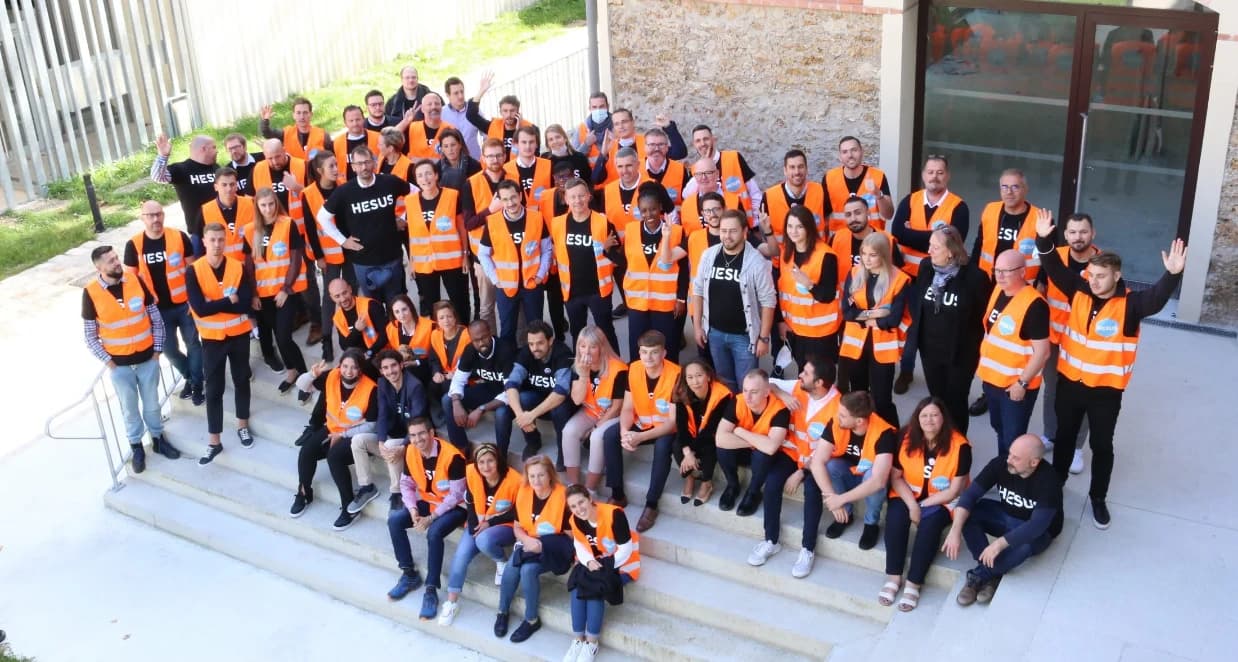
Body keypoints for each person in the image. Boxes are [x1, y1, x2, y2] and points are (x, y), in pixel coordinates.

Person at [1035, 210, 1184, 529]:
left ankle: (1098, 499)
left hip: (1105, 392)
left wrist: (1171, 275)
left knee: (1102, 446)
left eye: (1101, 276)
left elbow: (1157, 299)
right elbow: (1052, 266)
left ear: (1117, 276)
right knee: (1063, 437)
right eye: (1091, 275)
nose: (1094, 280)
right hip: (1070, 384)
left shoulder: (1131, 305)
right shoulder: (1079, 290)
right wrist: (1044, 238)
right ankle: (1055, 486)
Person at [82, 244, 178, 474]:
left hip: (147, 360)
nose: (117, 263)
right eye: (111, 261)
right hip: (120, 367)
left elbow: (155, 318)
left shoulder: (135, 280)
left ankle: (157, 439)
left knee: (153, 405)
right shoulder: (91, 292)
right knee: (130, 409)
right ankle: (136, 447)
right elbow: (90, 335)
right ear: (99, 267)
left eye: (116, 258)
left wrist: (156, 353)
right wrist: (109, 362)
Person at [943, 434, 1063, 606]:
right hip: (1006, 515)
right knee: (968, 515)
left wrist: (998, 544)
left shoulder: (1049, 480)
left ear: (1034, 462)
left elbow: (1037, 526)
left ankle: (982, 574)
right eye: (1010, 453)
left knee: (1025, 545)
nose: (1009, 459)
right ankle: (995, 569)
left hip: (1038, 530)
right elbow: (969, 496)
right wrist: (955, 530)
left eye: (1016, 457)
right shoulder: (1000, 464)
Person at [881, 397, 971, 612]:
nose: (929, 420)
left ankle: (914, 583)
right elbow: (896, 477)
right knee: (895, 520)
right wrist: (913, 505)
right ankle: (894, 577)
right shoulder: (904, 436)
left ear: (943, 418)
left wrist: (924, 505)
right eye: (924, 415)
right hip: (907, 493)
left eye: (934, 415)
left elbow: (955, 489)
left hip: (942, 498)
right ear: (917, 418)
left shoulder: (961, 446)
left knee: (930, 527)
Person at [891, 155, 970, 394]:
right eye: (930, 172)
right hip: (907, 277)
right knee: (909, 326)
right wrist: (935, 236)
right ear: (923, 175)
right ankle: (906, 370)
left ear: (947, 176)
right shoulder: (911, 200)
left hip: (940, 280)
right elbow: (896, 232)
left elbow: (954, 241)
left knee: (929, 328)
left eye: (940, 172)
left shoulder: (958, 206)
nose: (934, 176)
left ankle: (934, 373)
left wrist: (911, 233)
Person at [967, 170, 1040, 421]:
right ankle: (988, 390)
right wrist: (972, 277)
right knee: (987, 337)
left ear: (1025, 189)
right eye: (1004, 187)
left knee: (1011, 340)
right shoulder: (990, 210)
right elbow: (979, 245)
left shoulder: (1037, 219)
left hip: (1020, 292)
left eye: (1015, 187)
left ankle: (1012, 385)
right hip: (989, 284)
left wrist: (1039, 288)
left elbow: (1047, 259)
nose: (1009, 192)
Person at [906, 226, 989, 434]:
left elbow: (983, 318)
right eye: (930, 245)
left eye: (935, 247)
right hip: (929, 350)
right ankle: (941, 441)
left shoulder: (975, 278)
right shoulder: (926, 267)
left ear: (951, 251)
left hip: (961, 354)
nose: (929, 251)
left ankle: (958, 444)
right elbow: (919, 305)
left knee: (956, 402)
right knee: (937, 400)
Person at [386, 417, 468, 622]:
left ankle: (431, 589)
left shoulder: (452, 456)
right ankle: (409, 574)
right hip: (429, 501)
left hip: (456, 507)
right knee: (395, 520)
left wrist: (431, 518)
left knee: (434, 532)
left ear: (432, 433)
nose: (417, 439)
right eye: (412, 435)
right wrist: (413, 509)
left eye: (421, 433)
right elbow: (406, 484)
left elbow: (456, 495)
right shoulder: (411, 451)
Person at [185, 223, 254, 465]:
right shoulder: (194, 271)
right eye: (212, 240)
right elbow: (200, 309)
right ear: (203, 241)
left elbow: (244, 304)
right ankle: (214, 441)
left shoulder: (237, 266)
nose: (217, 244)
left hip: (238, 334)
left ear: (225, 241)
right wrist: (228, 300)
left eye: (220, 240)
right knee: (214, 389)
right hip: (212, 341)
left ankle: (242, 425)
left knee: (241, 380)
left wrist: (215, 302)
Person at [124, 201, 203, 405]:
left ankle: (197, 384)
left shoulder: (178, 236)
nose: (155, 219)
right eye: (150, 215)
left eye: (158, 214)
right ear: (142, 218)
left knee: (193, 344)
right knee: (168, 350)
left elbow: (193, 270)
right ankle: (191, 376)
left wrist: (195, 300)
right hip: (157, 311)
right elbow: (130, 281)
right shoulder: (134, 245)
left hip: (184, 305)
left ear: (164, 215)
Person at [768, 357, 840, 577]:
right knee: (772, 483)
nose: (800, 376)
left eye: (806, 373)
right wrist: (783, 394)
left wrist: (802, 471)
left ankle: (807, 549)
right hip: (793, 453)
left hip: (818, 463)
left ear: (819, 383)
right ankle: (771, 540)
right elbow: (767, 382)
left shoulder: (838, 408)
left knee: (811, 490)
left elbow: (831, 452)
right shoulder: (798, 387)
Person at [289, 351, 379, 529]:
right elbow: (303, 386)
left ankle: (349, 507)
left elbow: (371, 426)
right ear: (340, 365)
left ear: (360, 369)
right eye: (345, 366)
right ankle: (304, 491)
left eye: (354, 367)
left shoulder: (371, 388)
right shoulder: (332, 376)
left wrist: (343, 435)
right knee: (307, 451)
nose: (348, 371)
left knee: (334, 457)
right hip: (331, 429)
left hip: (356, 436)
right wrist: (311, 375)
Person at [1041, 213, 1101, 476]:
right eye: (1073, 232)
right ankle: (1050, 435)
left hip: (1086, 346)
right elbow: (1041, 291)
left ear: (1093, 234)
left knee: (1083, 396)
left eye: (1084, 232)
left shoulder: (1103, 264)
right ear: (1065, 235)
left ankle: (1076, 446)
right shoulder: (1055, 257)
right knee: (1052, 390)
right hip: (1054, 340)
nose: (1079, 237)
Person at [603, 330, 680, 531]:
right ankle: (617, 494)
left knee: (663, 447)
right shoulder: (634, 368)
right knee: (610, 435)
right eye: (644, 352)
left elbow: (672, 423)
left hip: (665, 428)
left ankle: (651, 504)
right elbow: (627, 407)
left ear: (664, 353)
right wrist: (624, 433)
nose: (648, 357)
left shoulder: (676, 374)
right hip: (642, 423)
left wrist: (639, 437)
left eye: (654, 352)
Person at [691, 210, 776, 392]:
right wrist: (698, 326)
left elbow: (768, 301)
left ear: (745, 231)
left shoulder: (755, 262)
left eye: (732, 231)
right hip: (714, 334)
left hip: (744, 338)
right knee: (724, 384)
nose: (727, 236)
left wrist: (763, 337)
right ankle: (730, 418)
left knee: (748, 387)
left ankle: (746, 419)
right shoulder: (709, 255)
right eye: (723, 231)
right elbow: (697, 291)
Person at [438, 443, 523, 625]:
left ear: (498, 460)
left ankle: (500, 559)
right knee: (461, 555)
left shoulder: (515, 480)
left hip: (505, 526)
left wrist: (489, 523)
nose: (486, 466)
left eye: (490, 461)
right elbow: (470, 500)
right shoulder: (472, 473)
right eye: (481, 462)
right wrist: (474, 526)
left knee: (484, 540)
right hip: (479, 521)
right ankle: (451, 602)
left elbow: (520, 511)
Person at [491, 456, 573, 643]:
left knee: (528, 570)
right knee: (512, 567)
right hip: (528, 543)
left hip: (554, 547)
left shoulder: (563, 496)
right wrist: (527, 540)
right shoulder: (525, 491)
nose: (536, 480)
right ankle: (502, 611)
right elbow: (517, 526)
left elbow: (571, 535)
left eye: (541, 475)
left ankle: (531, 619)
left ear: (550, 475)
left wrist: (543, 543)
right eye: (532, 476)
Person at [977, 249, 1050, 457]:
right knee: (998, 428)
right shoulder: (999, 291)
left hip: (1016, 387)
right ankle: (1004, 466)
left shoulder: (1035, 305)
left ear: (1022, 272)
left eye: (1006, 271)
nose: (999, 276)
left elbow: (1042, 352)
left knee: (1013, 439)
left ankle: (1011, 476)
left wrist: (1022, 383)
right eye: (996, 270)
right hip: (992, 380)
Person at [716, 370, 792, 563]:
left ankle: (753, 491)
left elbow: (772, 446)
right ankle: (733, 485)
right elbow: (720, 438)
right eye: (745, 390)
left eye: (754, 392)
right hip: (748, 446)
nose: (747, 396)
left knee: (763, 453)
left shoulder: (780, 409)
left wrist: (741, 431)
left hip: (765, 455)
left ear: (767, 392)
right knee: (723, 449)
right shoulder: (738, 401)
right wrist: (754, 441)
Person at [317, 145, 410, 302]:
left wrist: (405, 218)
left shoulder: (389, 182)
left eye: (367, 162)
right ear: (353, 167)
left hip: (392, 257)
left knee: (398, 304)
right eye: (359, 164)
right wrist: (343, 241)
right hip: (364, 262)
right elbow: (322, 217)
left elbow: (415, 193)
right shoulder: (345, 191)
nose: (364, 167)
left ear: (374, 162)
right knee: (372, 307)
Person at [839, 232, 911, 426]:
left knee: (882, 400)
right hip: (856, 349)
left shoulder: (899, 279)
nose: (867, 259)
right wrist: (877, 314)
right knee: (858, 395)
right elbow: (847, 312)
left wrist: (863, 316)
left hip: (883, 350)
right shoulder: (854, 273)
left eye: (873, 255)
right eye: (864, 253)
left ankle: (890, 434)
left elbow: (894, 319)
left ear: (884, 255)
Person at [242, 188, 309, 397]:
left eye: (271, 204)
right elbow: (249, 266)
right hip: (263, 296)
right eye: (263, 205)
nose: (268, 209)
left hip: (284, 293)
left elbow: (296, 259)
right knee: (279, 339)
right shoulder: (250, 230)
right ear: (257, 207)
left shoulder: (288, 224)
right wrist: (253, 294)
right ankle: (291, 372)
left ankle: (306, 378)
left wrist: (286, 289)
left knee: (284, 336)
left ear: (276, 203)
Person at [812, 391, 898, 550]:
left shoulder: (884, 433)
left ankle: (871, 523)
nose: (838, 417)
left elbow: (878, 481)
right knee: (831, 466)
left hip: (870, 480)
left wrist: (841, 498)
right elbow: (816, 462)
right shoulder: (836, 423)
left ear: (859, 421)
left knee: (873, 476)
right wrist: (834, 501)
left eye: (843, 415)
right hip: (850, 474)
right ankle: (845, 516)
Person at [564, 484, 640, 662]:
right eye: (573, 506)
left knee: (595, 586)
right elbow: (580, 545)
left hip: (622, 563)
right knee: (577, 583)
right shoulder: (575, 520)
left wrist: (602, 566)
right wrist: (590, 562)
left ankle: (591, 643)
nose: (578, 509)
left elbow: (625, 550)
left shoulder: (614, 514)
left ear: (590, 499)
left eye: (581, 502)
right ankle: (578, 640)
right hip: (597, 561)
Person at [549, 178, 621, 352]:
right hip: (571, 292)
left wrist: (606, 249)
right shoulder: (557, 223)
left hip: (598, 290)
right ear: (565, 198)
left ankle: (615, 368)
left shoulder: (603, 222)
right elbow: (555, 252)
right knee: (577, 333)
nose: (577, 201)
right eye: (572, 197)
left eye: (581, 196)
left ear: (589, 196)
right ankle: (581, 371)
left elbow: (617, 255)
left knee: (605, 332)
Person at [478, 179, 551, 346]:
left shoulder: (537, 218)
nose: (510, 203)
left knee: (535, 328)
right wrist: (496, 280)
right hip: (506, 287)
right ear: (500, 201)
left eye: (513, 197)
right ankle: (508, 365)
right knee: (508, 330)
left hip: (532, 285)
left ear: (520, 196)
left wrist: (540, 275)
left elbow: (547, 249)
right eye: (504, 199)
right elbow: (483, 254)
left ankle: (536, 365)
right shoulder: (493, 222)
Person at [354, 348, 426, 513]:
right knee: (358, 440)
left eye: (393, 365)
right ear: (381, 371)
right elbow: (382, 415)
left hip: (415, 439)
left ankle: (397, 492)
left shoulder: (415, 386)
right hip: (394, 436)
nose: (390, 371)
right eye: (385, 368)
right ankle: (366, 486)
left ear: (401, 365)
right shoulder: (382, 383)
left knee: (392, 443)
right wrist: (380, 441)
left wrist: (403, 445)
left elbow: (418, 421)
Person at [622, 183, 688, 361]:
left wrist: (681, 298)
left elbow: (683, 271)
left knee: (668, 345)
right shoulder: (631, 230)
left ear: (660, 207)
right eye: (644, 210)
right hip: (637, 301)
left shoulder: (676, 232)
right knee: (638, 346)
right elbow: (625, 263)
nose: (648, 214)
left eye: (652, 209)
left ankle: (671, 382)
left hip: (665, 302)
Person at [498, 321, 575, 461]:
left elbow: (561, 392)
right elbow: (511, 383)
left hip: (563, 404)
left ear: (550, 340)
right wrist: (521, 416)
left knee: (559, 408)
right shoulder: (527, 352)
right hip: (539, 399)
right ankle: (533, 441)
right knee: (522, 398)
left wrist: (531, 415)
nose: (535, 348)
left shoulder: (562, 353)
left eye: (540, 343)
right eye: (531, 344)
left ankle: (563, 451)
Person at [563, 326, 627, 493]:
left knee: (597, 437)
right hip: (591, 411)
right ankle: (573, 485)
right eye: (582, 346)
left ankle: (590, 489)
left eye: (592, 346)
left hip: (613, 415)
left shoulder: (618, 369)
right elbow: (577, 400)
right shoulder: (579, 366)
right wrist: (583, 375)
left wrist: (594, 428)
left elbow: (617, 407)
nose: (587, 351)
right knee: (568, 431)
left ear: (602, 347)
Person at [301, 152, 352, 362]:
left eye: (336, 164)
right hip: (328, 255)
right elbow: (310, 228)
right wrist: (319, 256)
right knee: (329, 299)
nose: (336, 168)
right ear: (320, 171)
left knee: (350, 294)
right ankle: (326, 341)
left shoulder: (344, 186)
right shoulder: (308, 193)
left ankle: (347, 335)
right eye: (331, 165)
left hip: (349, 251)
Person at [775, 205, 840, 368]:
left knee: (819, 380)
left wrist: (809, 284)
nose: (793, 231)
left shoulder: (826, 255)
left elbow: (828, 295)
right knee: (803, 376)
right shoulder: (786, 254)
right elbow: (782, 291)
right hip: (796, 331)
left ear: (809, 228)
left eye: (799, 226)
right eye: (790, 226)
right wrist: (781, 322)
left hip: (821, 333)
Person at [405, 160, 470, 320]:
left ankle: (463, 335)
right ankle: (437, 338)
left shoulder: (452, 196)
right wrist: (412, 261)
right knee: (431, 305)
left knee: (459, 302)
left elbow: (462, 228)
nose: (424, 179)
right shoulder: (410, 201)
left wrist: (465, 255)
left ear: (436, 175)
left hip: (452, 262)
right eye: (420, 175)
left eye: (428, 174)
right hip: (424, 264)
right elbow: (413, 234)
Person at [465, 138, 516, 331]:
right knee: (486, 307)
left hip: (511, 254)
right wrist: (490, 210)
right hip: (483, 257)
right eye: (490, 156)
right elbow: (469, 223)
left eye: (498, 155)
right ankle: (490, 345)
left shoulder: (513, 179)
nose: (494, 159)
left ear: (504, 156)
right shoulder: (471, 183)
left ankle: (517, 345)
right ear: (483, 158)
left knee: (515, 305)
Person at [444, 319, 515, 450]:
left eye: (484, 338)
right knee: (448, 400)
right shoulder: (470, 350)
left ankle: (501, 456)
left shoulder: (505, 350)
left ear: (490, 333)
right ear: (471, 339)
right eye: (476, 340)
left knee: (501, 414)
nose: (481, 343)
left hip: (513, 396)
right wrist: (456, 402)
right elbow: (458, 380)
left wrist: (481, 409)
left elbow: (510, 392)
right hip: (489, 390)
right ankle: (461, 448)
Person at [674, 359, 732, 507]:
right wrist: (687, 453)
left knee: (708, 447)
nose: (695, 381)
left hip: (713, 435)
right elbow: (681, 426)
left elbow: (711, 429)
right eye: (690, 377)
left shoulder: (722, 395)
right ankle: (690, 477)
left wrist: (691, 451)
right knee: (676, 444)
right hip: (693, 434)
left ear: (708, 376)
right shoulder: (681, 393)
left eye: (699, 375)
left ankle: (707, 482)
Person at [150, 134, 218, 255]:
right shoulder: (182, 169)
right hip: (199, 234)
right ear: (204, 149)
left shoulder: (217, 168)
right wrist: (163, 156)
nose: (217, 151)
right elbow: (158, 177)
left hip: (221, 229)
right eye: (214, 147)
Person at [600, 146, 647, 318]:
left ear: (637, 165)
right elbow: (605, 218)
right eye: (620, 166)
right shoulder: (609, 189)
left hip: (643, 249)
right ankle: (627, 304)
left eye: (629, 165)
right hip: (619, 250)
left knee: (645, 289)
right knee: (623, 282)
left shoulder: (649, 186)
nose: (624, 171)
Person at [682, 125, 761, 224]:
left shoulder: (733, 158)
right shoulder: (695, 168)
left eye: (705, 139)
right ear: (694, 144)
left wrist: (756, 223)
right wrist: (704, 164)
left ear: (713, 140)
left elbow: (755, 193)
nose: (702, 143)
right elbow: (687, 196)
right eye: (698, 141)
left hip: (742, 223)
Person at [822, 136, 893, 233]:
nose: (850, 155)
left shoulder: (877, 176)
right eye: (845, 152)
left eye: (854, 150)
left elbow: (889, 214)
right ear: (840, 156)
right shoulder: (829, 178)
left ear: (862, 151)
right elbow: (824, 217)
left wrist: (878, 195)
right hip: (840, 243)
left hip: (872, 241)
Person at [831, 196, 905, 285]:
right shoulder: (837, 238)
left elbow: (898, 275)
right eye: (848, 215)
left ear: (868, 213)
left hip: (879, 296)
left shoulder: (887, 240)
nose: (853, 219)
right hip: (846, 296)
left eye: (858, 213)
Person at [763, 150, 826, 243]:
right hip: (783, 255)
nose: (797, 172)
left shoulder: (821, 191)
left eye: (800, 167)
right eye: (792, 167)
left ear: (806, 169)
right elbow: (764, 232)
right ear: (785, 170)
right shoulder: (769, 196)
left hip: (816, 254)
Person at [469, 74, 536, 160]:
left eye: (512, 111)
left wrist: (518, 131)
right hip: (496, 169)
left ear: (518, 111)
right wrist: (481, 92)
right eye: (505, 111)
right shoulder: (493, 126)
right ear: (500, 112)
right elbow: (471, 115)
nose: (509, 115)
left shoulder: (531, 128)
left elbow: (534, 155)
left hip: (517, 170)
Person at [425, 301, 470, 426]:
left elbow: (471, 361)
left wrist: (456, 373)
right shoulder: (435, 335)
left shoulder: (466, 335)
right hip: (445, 374)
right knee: (431, 386)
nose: (446, 321)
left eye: (449, 316)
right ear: (437, 321)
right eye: (441, 318)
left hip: (464, 377)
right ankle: (439, 417)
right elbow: (433, 358)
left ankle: (458, 416)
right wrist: (436, 372)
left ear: (455, 317)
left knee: (447, 386)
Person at [680, 158, 745, 234]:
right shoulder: (687, 204)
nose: (703, 177)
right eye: (699, 174)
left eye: (708, 172)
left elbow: (744, 232)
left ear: (717, 174)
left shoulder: (735, 200)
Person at [329, 278, 389, 360]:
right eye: (337, 296)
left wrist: (369, 353)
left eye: (344, 293)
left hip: (382, 354)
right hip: (360, 358)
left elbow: (386, 334)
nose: (343, 299)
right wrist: (356, 330)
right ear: (332, 298)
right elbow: (344, 346)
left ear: (350, 289)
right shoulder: (338, 318)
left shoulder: (370, 305)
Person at [503, 126, 553, 217]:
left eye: (531, 142)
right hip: (519, 222)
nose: (528, 146)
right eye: (523, 142)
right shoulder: (505, 170)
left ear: (537, 144)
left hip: (545, 221)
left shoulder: (549, 165)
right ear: (516, 144)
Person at [590, 108, 646, 186]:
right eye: (617, 124)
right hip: (618, 193)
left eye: (624, 122)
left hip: (645, 192)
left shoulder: (647, 142)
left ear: (633, 122)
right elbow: (596, 179)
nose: (621, 126)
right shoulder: (610, 147)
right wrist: (603, 154)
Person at [384, 293, 433, 382]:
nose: (401, 315)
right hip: (400, 368)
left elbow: (436, 357)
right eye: (397, 312)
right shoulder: (391, 327)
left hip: (425, 366)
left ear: (411, 307)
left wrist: (415, 363)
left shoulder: (430, 326)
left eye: (404, 309)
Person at [260, 97, 327, 161]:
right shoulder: (286, 133)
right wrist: (265, 120)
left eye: (305, 113)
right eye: (298, 113)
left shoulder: (322, 134)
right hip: (294, 172)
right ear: (293, 115)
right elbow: (266, 133)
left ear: (311, 114)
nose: (302, 117)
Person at [641, 126, 689, 205]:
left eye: (661, 144)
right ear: (645, 147)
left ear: (667, 147)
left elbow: (688, 201)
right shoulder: (635, 169)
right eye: (652, 145)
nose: (656, 148)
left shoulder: (680, 169)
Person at [441, 76, 483, 160]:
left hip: (475, 160)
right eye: (456, 93)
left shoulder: (473, 110)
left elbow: (486, 133)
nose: (460, 96)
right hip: (452, 164)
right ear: (447, 95)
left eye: (462, 92)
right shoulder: (442, 114)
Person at [406, 92, 456, 161]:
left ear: (441, 107)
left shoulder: (451, 129)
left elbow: (457, 159)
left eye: (437, 104)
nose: (434, 107)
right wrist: (405, 122)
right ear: (422, 109)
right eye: (429, 104)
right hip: (415, 171)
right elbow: (390, 140)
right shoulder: (412, 127)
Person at [572, 91, 611, 167]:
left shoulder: (617, 126)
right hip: (592, 177)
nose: (598, 110)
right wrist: (586, 144)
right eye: (594, 107)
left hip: (616, 177)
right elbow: (574, 160)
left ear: (608, 106)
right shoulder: (581, 128)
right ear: (589, 108)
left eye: (601, 106)